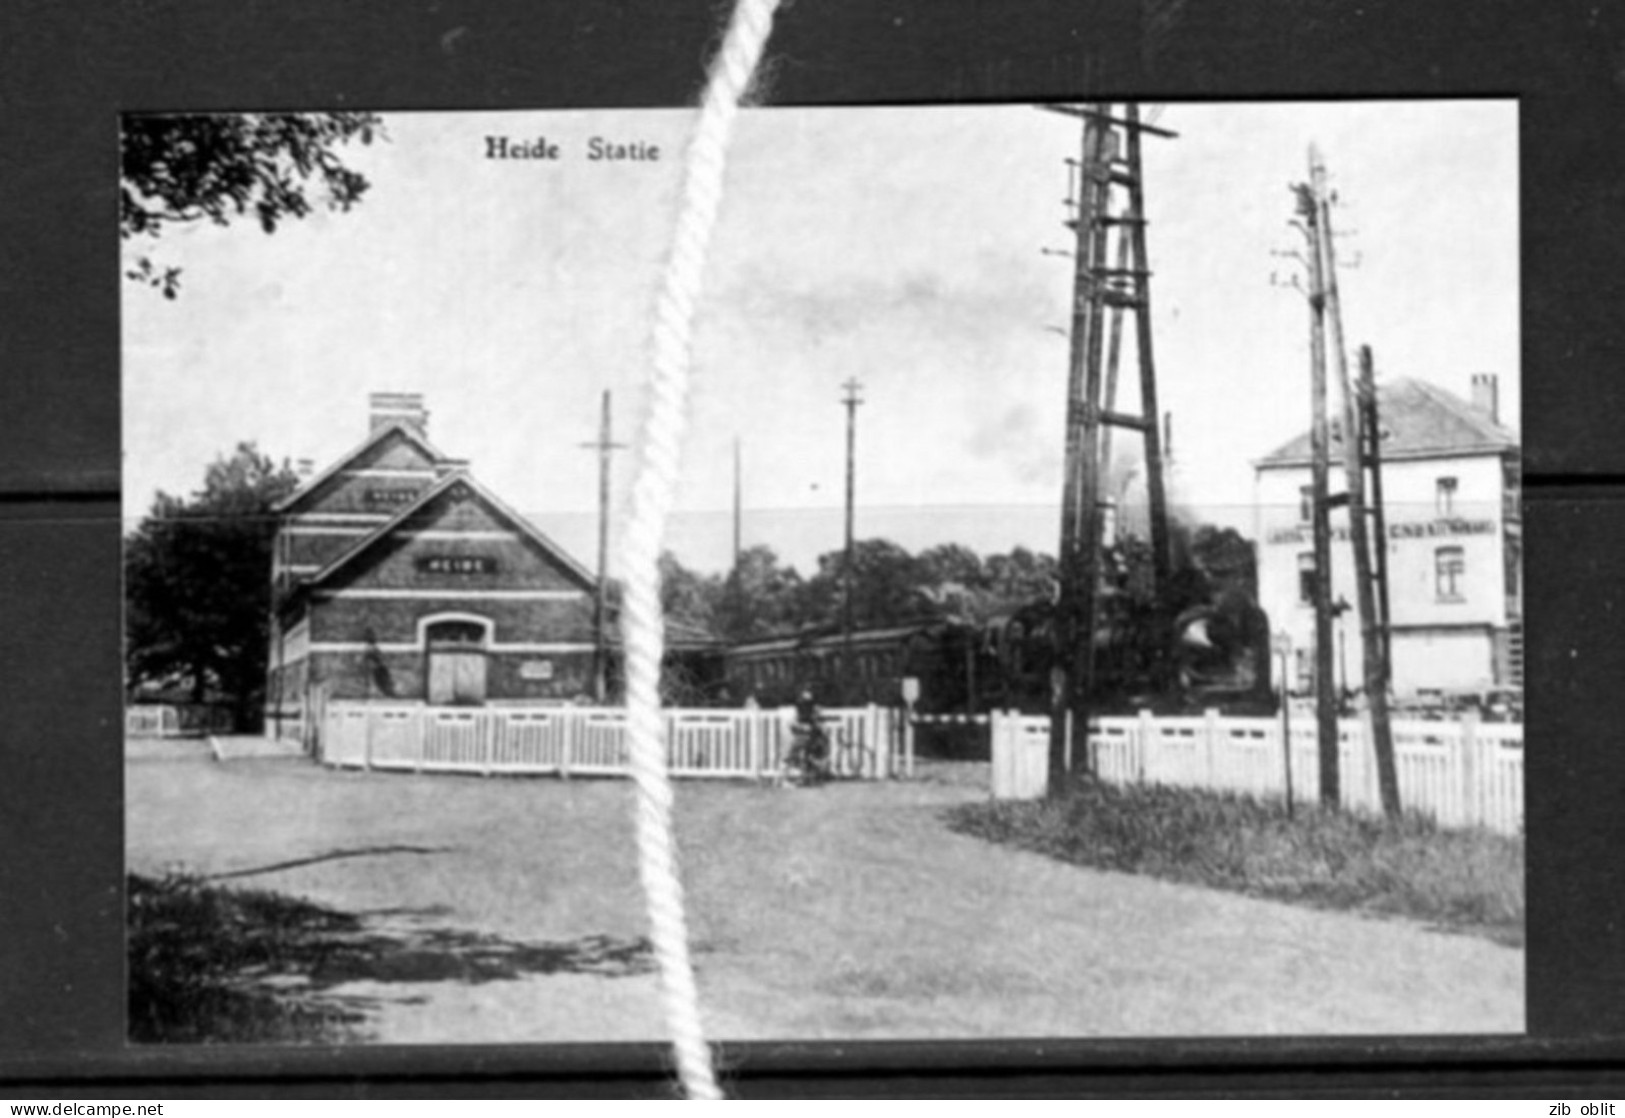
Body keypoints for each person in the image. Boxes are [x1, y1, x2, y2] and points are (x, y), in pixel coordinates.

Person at [790, 688, 830, 784]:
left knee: (810, 753)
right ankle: (805, 774)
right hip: (805, 734)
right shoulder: (801, 710)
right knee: (804, 753)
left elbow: (816, 720)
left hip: (809, 734)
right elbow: (798, 721)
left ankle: (809, 774)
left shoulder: (811, 709)